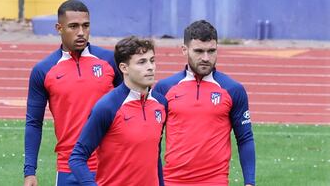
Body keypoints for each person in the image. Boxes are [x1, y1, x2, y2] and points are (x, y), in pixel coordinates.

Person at [23, 0, 122, 186]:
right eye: (73, 26)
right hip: (68, 169)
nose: (81, 33)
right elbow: (34, 123)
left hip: (109, 166)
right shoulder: (43, 70)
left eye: (86, 26)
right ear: (59, 28)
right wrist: (30, 171)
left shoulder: (111, 62)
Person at [154, 20, 256, 186]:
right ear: (184, 50)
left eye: (211, 51)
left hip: (215, 181)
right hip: (172, 181)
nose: (206, 58)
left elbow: (245, 138)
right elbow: (153, 141)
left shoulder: (233, 90)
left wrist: (249, 182)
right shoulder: (164, 89)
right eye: (199, 51)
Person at [69, 36, 167, 186]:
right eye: (142, 62)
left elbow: (155, 156)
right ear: (124, 68)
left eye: (152, 60)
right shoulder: (108, 107)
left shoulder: (161, 104)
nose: (150, 67)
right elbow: (77, 158)